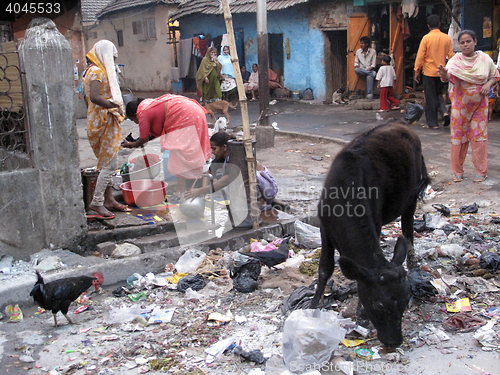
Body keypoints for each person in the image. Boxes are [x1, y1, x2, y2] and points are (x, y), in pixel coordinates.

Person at [437, 29, 499, 183]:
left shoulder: (485, 59)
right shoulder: (455, 61)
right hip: (460, 107)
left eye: (468, 41)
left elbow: (495, 75)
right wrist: (444, 73)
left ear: (475, 42)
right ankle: (457, 172)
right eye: (462, 42)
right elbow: (446, 78)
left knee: (479, 137)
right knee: (458, 138)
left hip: (480, 105)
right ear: (459, 44)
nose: (465, 45)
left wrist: (488, 84)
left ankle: (480, 172)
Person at [122, 94, 211, 196]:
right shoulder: (148, 104)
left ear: (134, 114)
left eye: (134, 120)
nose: (136, 123)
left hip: (188, 116)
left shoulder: (142, 113)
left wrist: (131, 144)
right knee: (189, 152)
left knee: (179, 153)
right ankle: (190, 185)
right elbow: (154, 134)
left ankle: (182, 189)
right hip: (193, 112)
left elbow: (144, 140)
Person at [82, 40, 127, 219]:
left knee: (104, 163)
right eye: (111, 57)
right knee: (110, 165)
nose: (113, 61)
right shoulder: (97, 72)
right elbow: (94, 97)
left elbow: (88, 100)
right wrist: (114, 105)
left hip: (97, 120)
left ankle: (109, 200)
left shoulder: (90, 70)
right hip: (103, 121)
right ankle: (97, 202)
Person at [184, 131, 277, 211]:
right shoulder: (219, 159)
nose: (212, 151)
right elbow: (207, 175)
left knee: (242, 179)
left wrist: (199, 190)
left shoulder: (236, 159)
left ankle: (258, 203)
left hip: (266, 190)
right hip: (246, 191)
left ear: (224, 147)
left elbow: (225, 181)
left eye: (214, 148)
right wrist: (204, 192)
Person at [415, 14, 454, 129]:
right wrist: (449, 71)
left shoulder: (426, 38)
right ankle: (444, 112)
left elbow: (420, 56)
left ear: (428, 26)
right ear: (439, 24)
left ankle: (433, 122)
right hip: (442, 72)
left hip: (429, 72)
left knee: (430, 97)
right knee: (439, 94)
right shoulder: (447, 38)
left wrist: (417, 70)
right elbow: (451, 56)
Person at [354, 36, 377, 100]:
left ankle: (370, 95)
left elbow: (373, 64)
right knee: (356, 69)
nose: (361, 45)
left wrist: (370, 69)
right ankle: (372, 73)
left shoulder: (373, 51)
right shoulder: (358, 51)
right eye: (361, 43)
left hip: (369, 69)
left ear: (366, 44)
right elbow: (356, 62)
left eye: (362, 43)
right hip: (361, 70)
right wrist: (356, 65)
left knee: (369, 77)